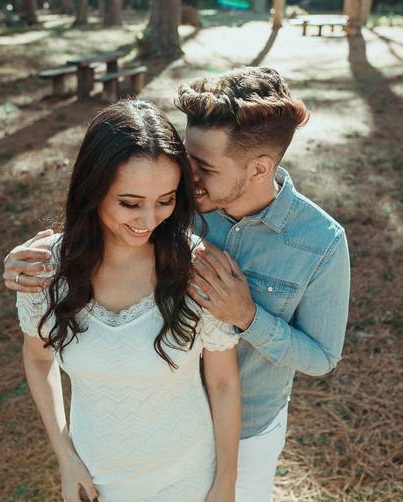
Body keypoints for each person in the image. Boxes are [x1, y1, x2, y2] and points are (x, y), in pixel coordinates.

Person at [5, 67, 351, 501]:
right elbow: (101, 218)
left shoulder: (319, 243)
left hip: (244, 430)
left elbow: (321, 357)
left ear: (260, 168)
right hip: (133, 428)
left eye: (202, 167)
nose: (186, 180)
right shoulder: (174, 204)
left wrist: (246, 316)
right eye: (186, 161)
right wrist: (24, 265)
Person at [15, 100, 241, 502]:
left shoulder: (198, 268)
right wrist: (66, 458)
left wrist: (225, 484)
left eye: (166, 200)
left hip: (188, 479)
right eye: (130, 203)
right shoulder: (45, 270)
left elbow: (223, 381)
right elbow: (37, 357)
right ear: (93, 189)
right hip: (96, 481)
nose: (149, 220)